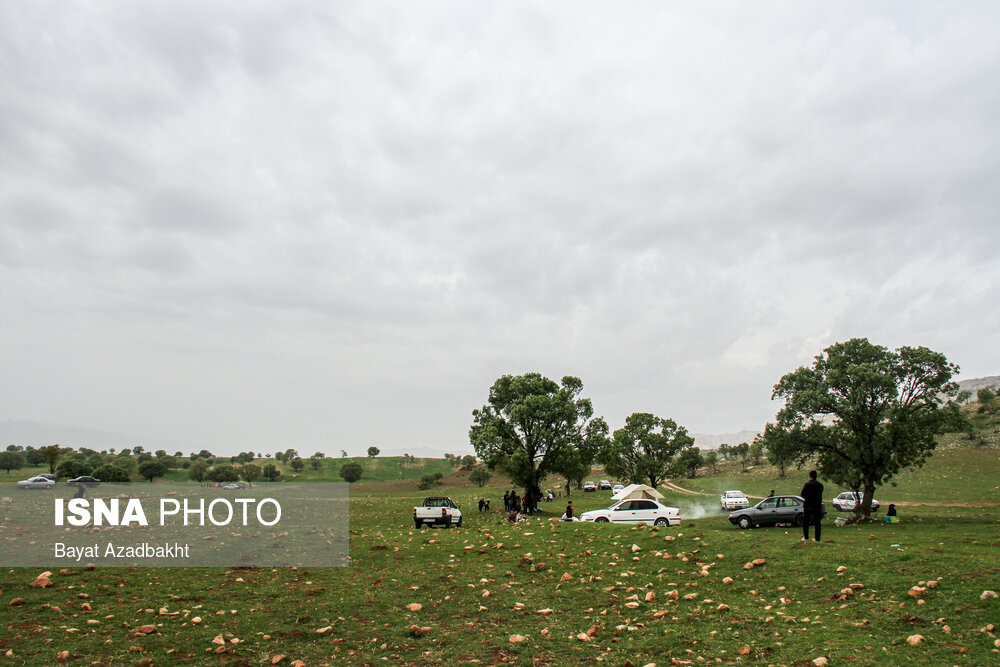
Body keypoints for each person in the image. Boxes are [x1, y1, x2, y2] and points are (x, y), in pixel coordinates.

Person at [800, 470, 824, 542]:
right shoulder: (820, 485)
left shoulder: (807, 484)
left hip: (808, 506)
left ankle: (806, 537)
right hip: (817, 506)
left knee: (806, 522)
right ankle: (817, 538)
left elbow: (802, 494)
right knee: (817, 523)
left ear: (810, 476)